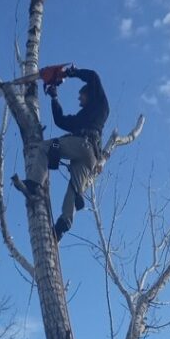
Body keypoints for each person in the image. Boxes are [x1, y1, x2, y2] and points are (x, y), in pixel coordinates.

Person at [22, 66, 109, 241]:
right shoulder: (83, 117)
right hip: (90, 157)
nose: (78, 99)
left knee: (46, 146)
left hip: (82, 144)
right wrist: (54, 98)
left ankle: (34, 183)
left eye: (81, 95)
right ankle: (62, 225)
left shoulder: (100, 104)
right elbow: (61, 120)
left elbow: (93, 75)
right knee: (73, 189)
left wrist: (71, 72)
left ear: (89, 94)